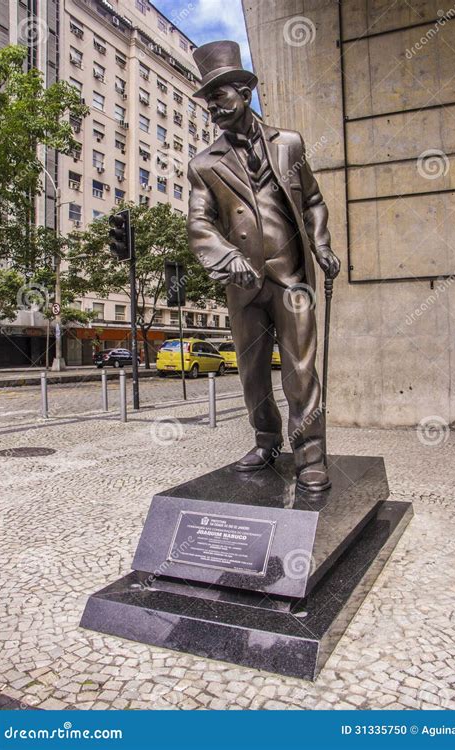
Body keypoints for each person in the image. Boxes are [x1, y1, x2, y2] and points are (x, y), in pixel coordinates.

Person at [187, 41, 340, 492]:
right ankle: (267, 439)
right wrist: (227, 257)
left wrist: (321, 245)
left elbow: (312, 200)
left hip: (291, 279)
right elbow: (199, 223)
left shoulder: (289, 144)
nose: (213, 107)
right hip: (242, 285)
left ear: (244, 92)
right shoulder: (203, 164)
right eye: (209, 101)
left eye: (220, 96)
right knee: (252, 374)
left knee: (301, 370)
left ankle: (310, 455)